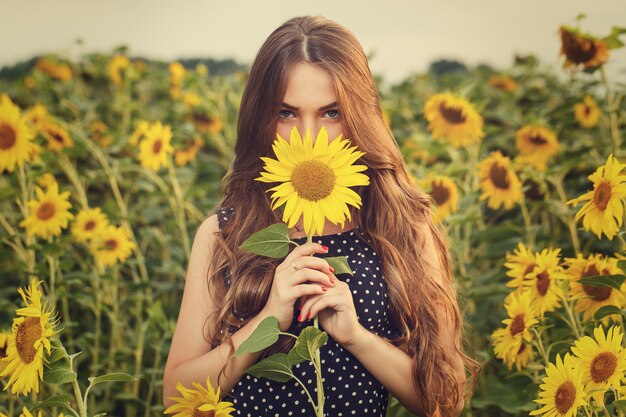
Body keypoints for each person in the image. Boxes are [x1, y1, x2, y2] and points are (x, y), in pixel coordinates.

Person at [163, 15, 480, 417]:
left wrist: (356, 338)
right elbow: (176, 395)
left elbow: (446, 400)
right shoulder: (224, 233)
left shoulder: (401, 226)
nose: (308, 136)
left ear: (358, 116)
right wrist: (268, 322)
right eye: (286, 113)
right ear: (261, 118)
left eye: (331, 113)